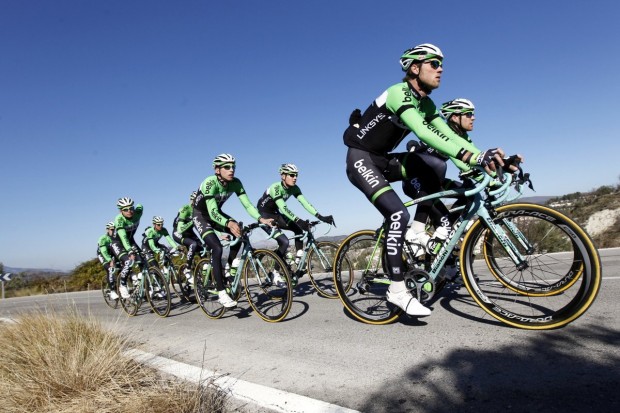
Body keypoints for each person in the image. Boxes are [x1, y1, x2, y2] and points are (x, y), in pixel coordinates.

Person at [343, 43, 509, 317]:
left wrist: (487, 158)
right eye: (434, 63)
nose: (440, 69)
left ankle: (419, 229)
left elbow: (451, 137)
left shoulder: (427, 103)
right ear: (414, 67)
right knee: (398, 214)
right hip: (361, 159)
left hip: (383, 160)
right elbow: (423, 132)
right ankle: (397, 290)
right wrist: (471, 157)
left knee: (435, 163)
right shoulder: (398, 92)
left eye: (441, 63)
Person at [192, 153, 274, 308]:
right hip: (201, 215)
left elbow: (248, 205)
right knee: (217, 247)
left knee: (240, 233)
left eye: (233, 166)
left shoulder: (236, 183)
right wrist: (228, 223)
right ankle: (221, 292)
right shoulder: (209, 183)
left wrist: (261, 219)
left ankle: (227, 270)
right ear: (217, 170)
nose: (231, 170)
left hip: (217, 214)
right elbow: (212, 212)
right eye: (227, 167)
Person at [257, 163, 335, 278]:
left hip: (276, 214)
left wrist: (320, 216)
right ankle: (275, 273)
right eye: (292, 175)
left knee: (298, 230)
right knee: (284, 242)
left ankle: (298, 259)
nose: (295, 178)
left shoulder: (294, 188)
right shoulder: (275, 188)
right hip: (265, 215)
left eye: (296, 175)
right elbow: (283, 208)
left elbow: (305, 203)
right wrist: (299, 220)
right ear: (283, 176)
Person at [109, 197, 144, 299]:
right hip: (118, 243)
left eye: (131, 208)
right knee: (128, 261)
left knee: (143, 260)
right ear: (121, 211)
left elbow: (140, 206)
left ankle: (143, 284)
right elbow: (123, 237)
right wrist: (129, 251)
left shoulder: (138, 212)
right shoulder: (119, 219)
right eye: (125, 209)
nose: (129, 211)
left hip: (130, 240)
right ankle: (122, 285)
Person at [172, 191, 203, 284]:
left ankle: (206, 277)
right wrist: (192, 221)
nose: (196, 203)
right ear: (191, 200)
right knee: (193, 244)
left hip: (189, 232)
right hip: (179, 232)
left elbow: (200, 227)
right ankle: (187, 269)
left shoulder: (199, 210)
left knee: (204, 249)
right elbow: (180, 229)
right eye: (195, 201)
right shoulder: (185, 209)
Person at [97, 221, 119, 300]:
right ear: (107, 230)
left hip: (112, 254)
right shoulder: (103, 238)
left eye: (114, 229)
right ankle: (112, 291)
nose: (113, 231)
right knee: (110, 269)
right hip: (103, 255)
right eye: (112, 229)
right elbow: (104, 252)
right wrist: (110, 261)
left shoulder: (116, 237)